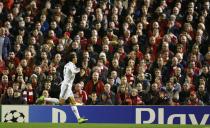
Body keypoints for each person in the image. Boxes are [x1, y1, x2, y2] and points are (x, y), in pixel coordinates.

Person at [39, 52, 88, 124]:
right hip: (67, 87)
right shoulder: (70, 65)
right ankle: (44, 98)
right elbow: (74, 71)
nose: (77, 58)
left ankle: (79, 119)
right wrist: (81, 68)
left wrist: (64, 81)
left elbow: (67, 75)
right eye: (76, 57)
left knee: (73, 102)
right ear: (73, 59)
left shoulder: (68, 65)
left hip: (67, 85)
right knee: (60, 102)